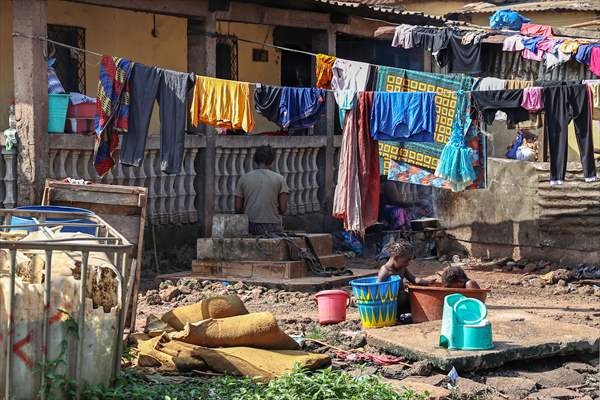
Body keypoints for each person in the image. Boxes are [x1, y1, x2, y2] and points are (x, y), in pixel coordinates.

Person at [235, 145, 289, 235]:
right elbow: (283, 209)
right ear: (272, 161)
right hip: (273, 226)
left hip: (250, 225)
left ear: (255, 161)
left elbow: (237, 208)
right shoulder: (280, 179)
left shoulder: (243, 178)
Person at [376, 240, 433, 313]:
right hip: (390, 303)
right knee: (403, 296)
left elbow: (413, 279)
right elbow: (377, 288)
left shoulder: (402, 268)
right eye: (406, 261)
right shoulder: (385, 270)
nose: (408, 264)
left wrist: (427, 282)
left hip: (402, 301)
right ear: (396, 257)